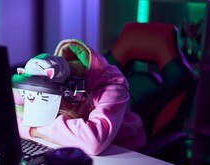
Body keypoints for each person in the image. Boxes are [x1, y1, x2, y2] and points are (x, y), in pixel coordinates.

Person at [12, 39, 146, 155]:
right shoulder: (34, 76)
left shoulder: (113, 84)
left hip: (123, 152)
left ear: (71, 88)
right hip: (73, 146)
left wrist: (33, 129)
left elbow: (93, 142)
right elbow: (10, 119)